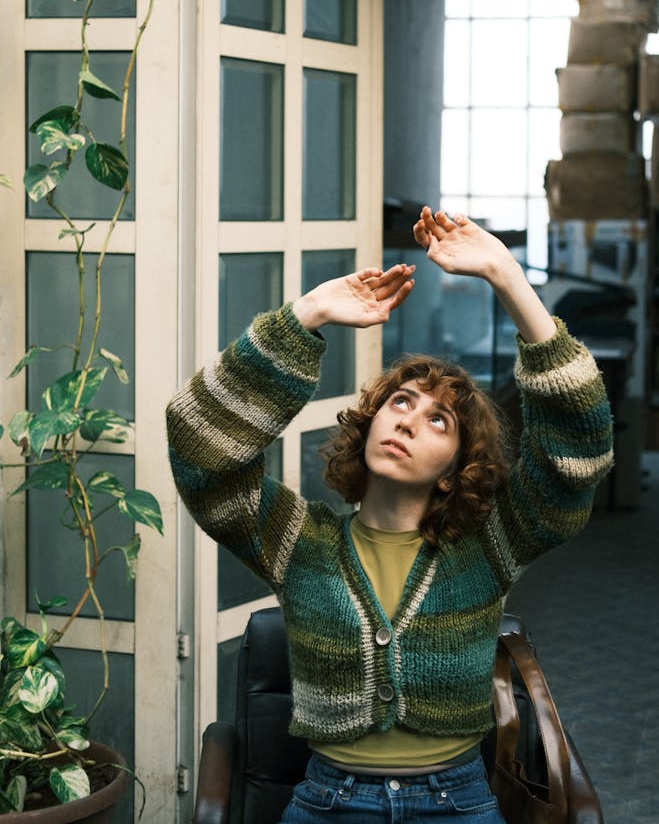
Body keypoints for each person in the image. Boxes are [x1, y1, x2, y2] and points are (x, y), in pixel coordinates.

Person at [167, 206, 613, 823]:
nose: (407, 418)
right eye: (399, 401)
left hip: (456, 805)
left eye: (438, 419)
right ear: (371, 421)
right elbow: (198, 448)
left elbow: (579, 456)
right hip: (327, 803)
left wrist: (509, 277)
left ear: (457, 466)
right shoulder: (299, 543)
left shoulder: (487, 548)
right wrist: (307, 315)